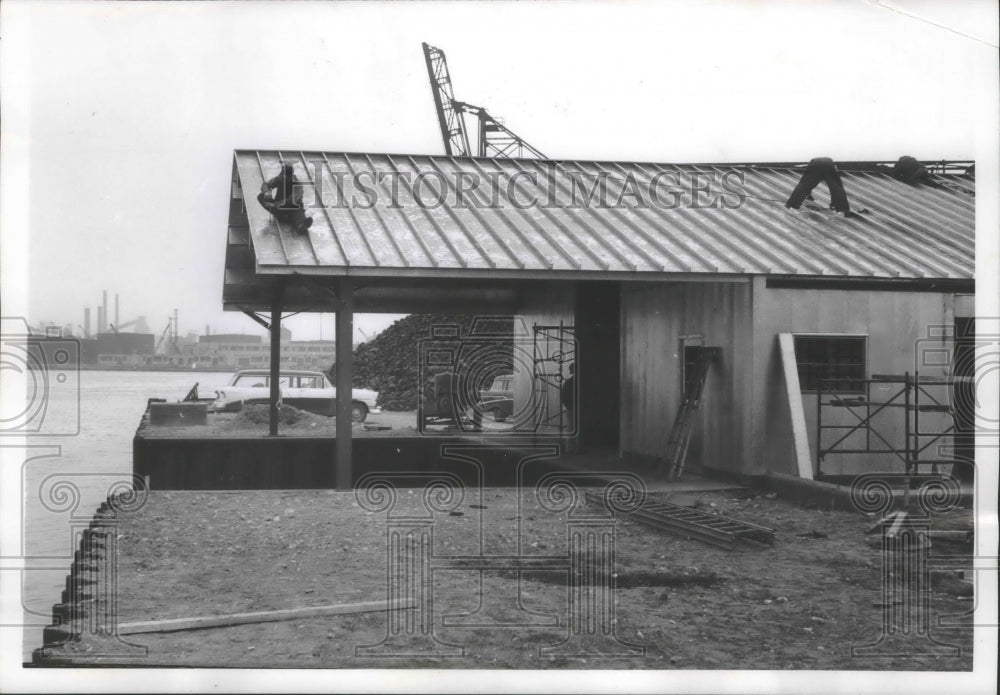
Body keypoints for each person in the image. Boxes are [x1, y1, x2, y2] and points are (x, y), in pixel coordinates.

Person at [257, 162, 313, 233]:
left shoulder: (298, 185)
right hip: (279, 207)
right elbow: (266, 184)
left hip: (292, 208)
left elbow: (292, 200)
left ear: (291, 176)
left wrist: (274, 205)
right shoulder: (280, 179)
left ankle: (301, 225)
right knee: (261, 196)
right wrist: (266, 193)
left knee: (297, 215)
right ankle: (282, 215)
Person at [560, 362, 578, 454]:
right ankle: (573, 448)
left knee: (571, 429)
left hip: (571, 408)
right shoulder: (573, 382)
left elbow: (563, 397)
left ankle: (571, 448)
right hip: (573, 408)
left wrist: (569, 406)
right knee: (573, 429)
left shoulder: (569, 382)